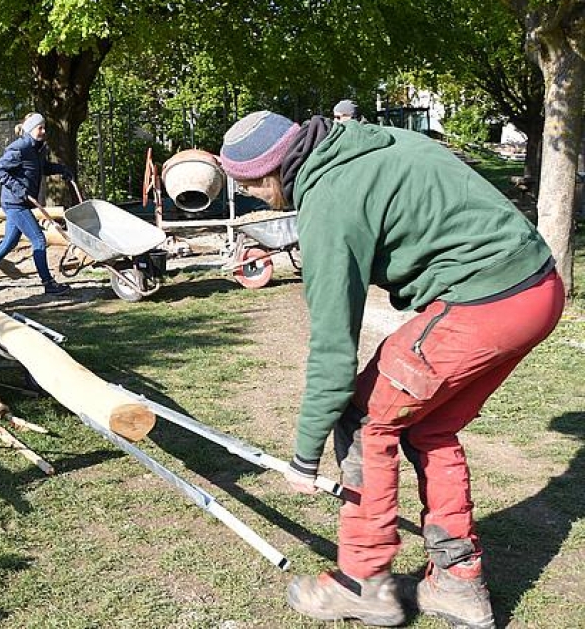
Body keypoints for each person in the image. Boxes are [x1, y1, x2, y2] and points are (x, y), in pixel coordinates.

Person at [218, 110, 563, 629]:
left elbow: (334, 348)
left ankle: (363, 583)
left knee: (363, 416)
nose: (256, 201)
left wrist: (304, 455)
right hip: (538, 288)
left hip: (483, 300)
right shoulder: (374, 141)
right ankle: (459, 583)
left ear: (267, 175)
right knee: (429, 423)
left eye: (251, 192)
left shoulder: (328, 201)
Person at [0, 112, 73, 296]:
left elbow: (42, 168)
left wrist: (62, 169)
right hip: (15, 203)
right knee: (39, 240)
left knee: (10, 241)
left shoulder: (38, 148)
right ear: (30, 129)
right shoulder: (21, 147)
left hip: (21, 203)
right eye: (39, 128)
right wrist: (19, 190)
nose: (43, 131)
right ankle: (48, 282)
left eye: (44, 127)